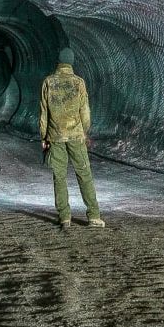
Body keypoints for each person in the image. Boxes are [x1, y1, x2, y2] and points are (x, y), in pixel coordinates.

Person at [39, 47, 104, 229]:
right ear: (71, 62)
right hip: (76, 135)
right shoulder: (79, 83)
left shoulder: (48, 82)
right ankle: (93, 216)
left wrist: (44, 136)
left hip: (55, 136)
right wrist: (84, 131)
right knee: (84, 174)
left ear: (58, 62)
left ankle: (64, 217)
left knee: (59, 176)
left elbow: (43, 114)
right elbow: (85, 111)